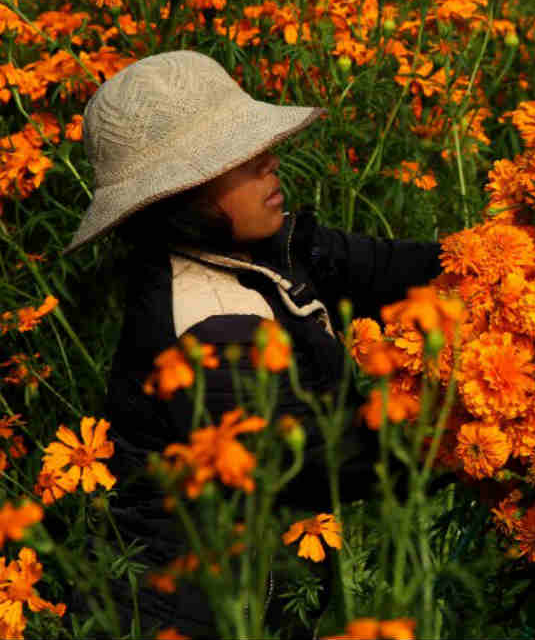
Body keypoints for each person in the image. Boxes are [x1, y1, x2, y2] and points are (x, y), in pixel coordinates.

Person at [64, 50, 443, 636]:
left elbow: (390, 269)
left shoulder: (265, 245)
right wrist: (487, 422)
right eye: (238, 157)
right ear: (179, 197)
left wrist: (512, 252)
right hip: (190, 616)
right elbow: (336, 463)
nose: (270, 161)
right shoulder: (204, 330)